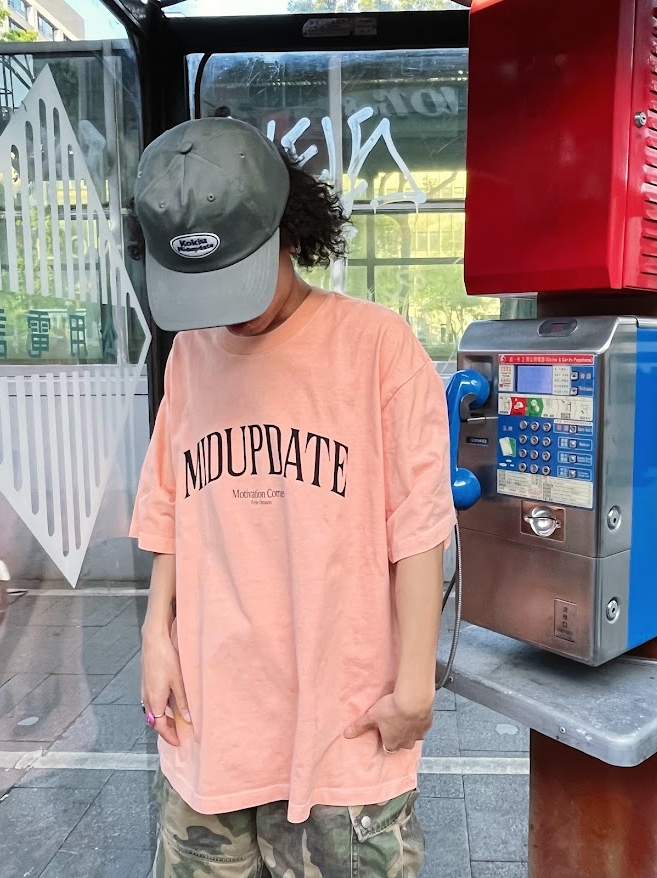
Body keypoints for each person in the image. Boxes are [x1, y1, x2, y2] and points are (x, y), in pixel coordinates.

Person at [131, 116, 455, 877]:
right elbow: (172, 507)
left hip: (342, 729)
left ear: (289, 230)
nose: (227, 307)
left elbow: (418, 524)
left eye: (239, 272)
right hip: (209, 723)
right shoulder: (190, 355)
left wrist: (415, 688)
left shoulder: (377, 347)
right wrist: (155, 634)